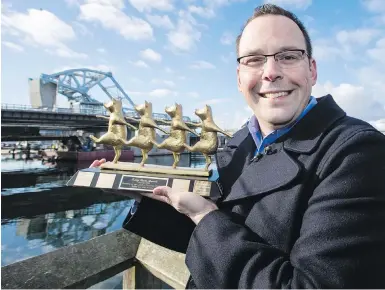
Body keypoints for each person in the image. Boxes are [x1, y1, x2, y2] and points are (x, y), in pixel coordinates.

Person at [91, 4, 385, 288]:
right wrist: (140, 191)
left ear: (312, 70)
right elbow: (209, 241)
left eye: (288, 56)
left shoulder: (357, 152)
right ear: (239, 78)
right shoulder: (242, 139)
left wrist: (204, 216)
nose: (270, 72)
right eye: (254, 59)